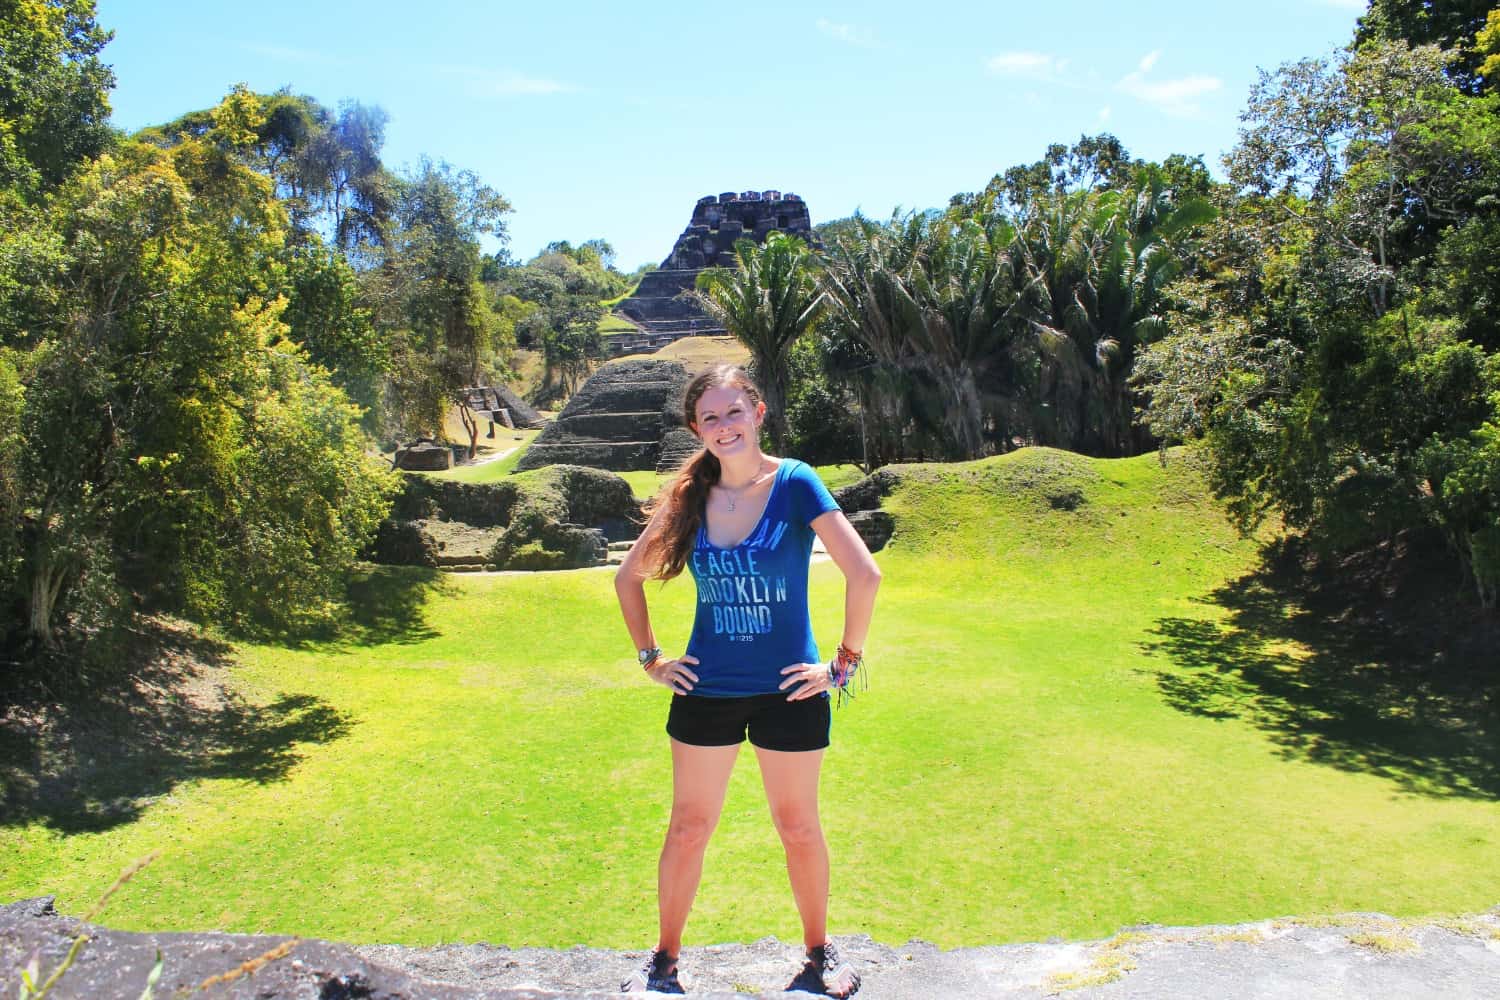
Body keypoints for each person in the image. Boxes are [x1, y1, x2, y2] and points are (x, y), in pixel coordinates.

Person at [614, 364, 881, 997]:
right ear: (695, 428)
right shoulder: (688, 496)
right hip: (705, 690)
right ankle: (664, 964)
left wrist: (841, 666)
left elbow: (863, 574)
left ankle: (818, 955)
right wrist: (651, 659)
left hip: (791, 691)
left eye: (734, 412)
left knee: (797, 826)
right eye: (710, 417)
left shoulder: (794, 483)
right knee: (687, 827)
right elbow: (628, 579)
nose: (724, 426)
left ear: (758, 414)